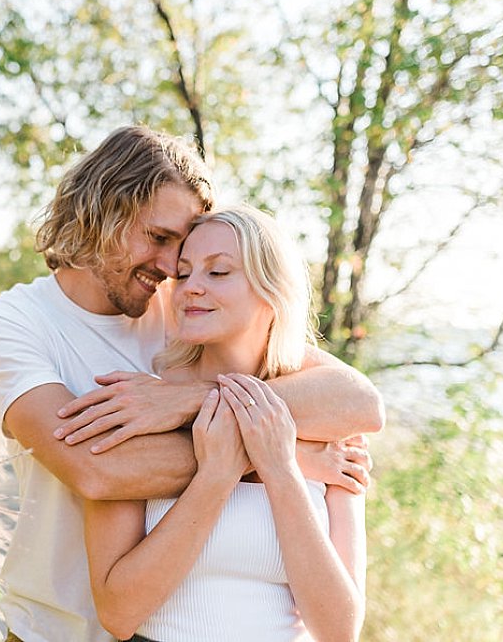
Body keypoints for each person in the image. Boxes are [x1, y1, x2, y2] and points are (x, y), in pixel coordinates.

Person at [0, 126, 383, 642]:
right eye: (160, 239)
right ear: (102, 213)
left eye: (184, 252)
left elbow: (358, 400)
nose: (172, 270)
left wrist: (188, 401)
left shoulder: (182, 305)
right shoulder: (14, 324)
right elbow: (101, 472)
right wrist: (284, 456)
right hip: (57, 627)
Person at [84, 206, 365, 642]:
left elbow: (339, 630)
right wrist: (217, 475)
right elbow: (117, 613)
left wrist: (281, 467)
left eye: (218, 273)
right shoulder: (140, 405)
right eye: (183, 273)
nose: (190, 288)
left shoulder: (327, 421)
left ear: (271, 292)